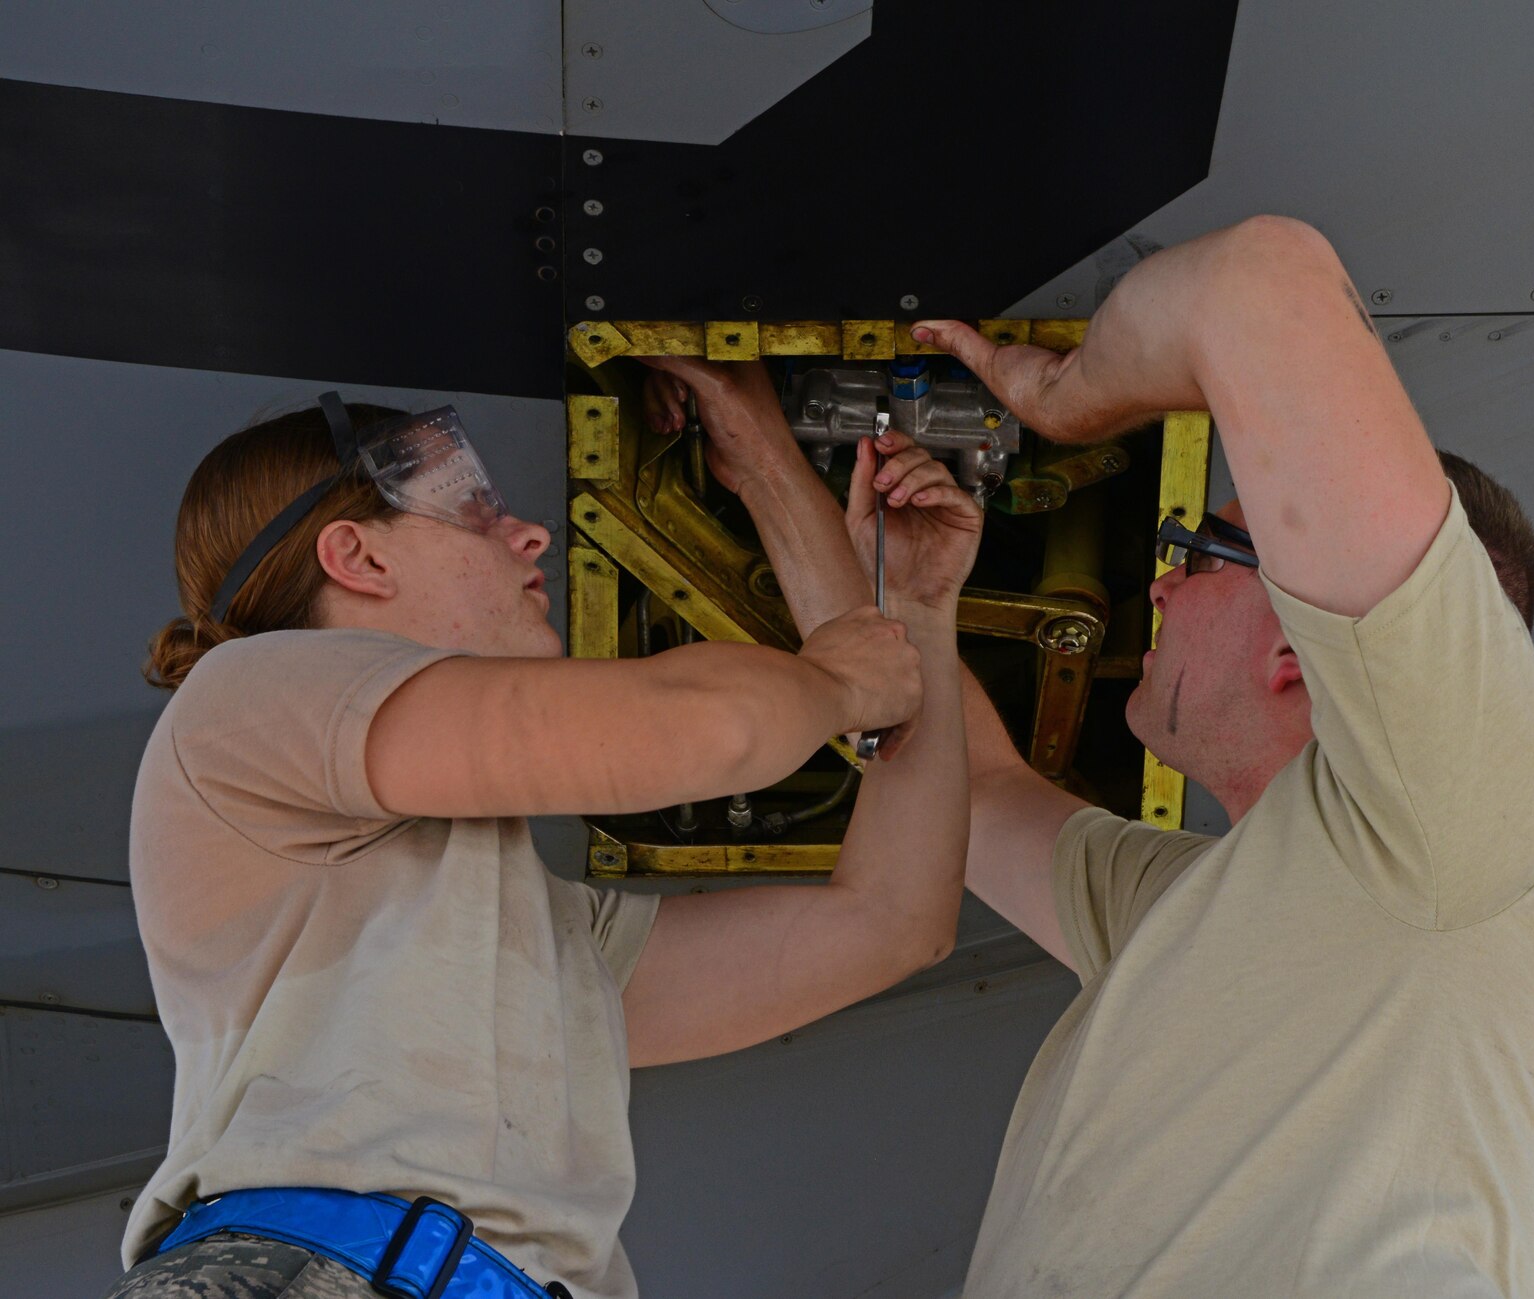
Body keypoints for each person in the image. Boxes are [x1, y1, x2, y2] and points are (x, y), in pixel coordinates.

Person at [675, 215, 1534, 1297]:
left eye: (1198, 552)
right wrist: (780, 477)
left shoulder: (1473, 819)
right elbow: (971, 793)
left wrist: (1067, 399)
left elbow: (1261, 280)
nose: (1161, 584)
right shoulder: (1198, 911)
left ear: (1298, 643)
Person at [109, 392, 980, 1299]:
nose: (529, 537)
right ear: (357, 555)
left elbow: (893, 921)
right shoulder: (244, 695)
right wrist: (839, 677)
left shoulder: (509, 928)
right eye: (473, 509)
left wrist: (915, 613)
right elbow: (707, 727)